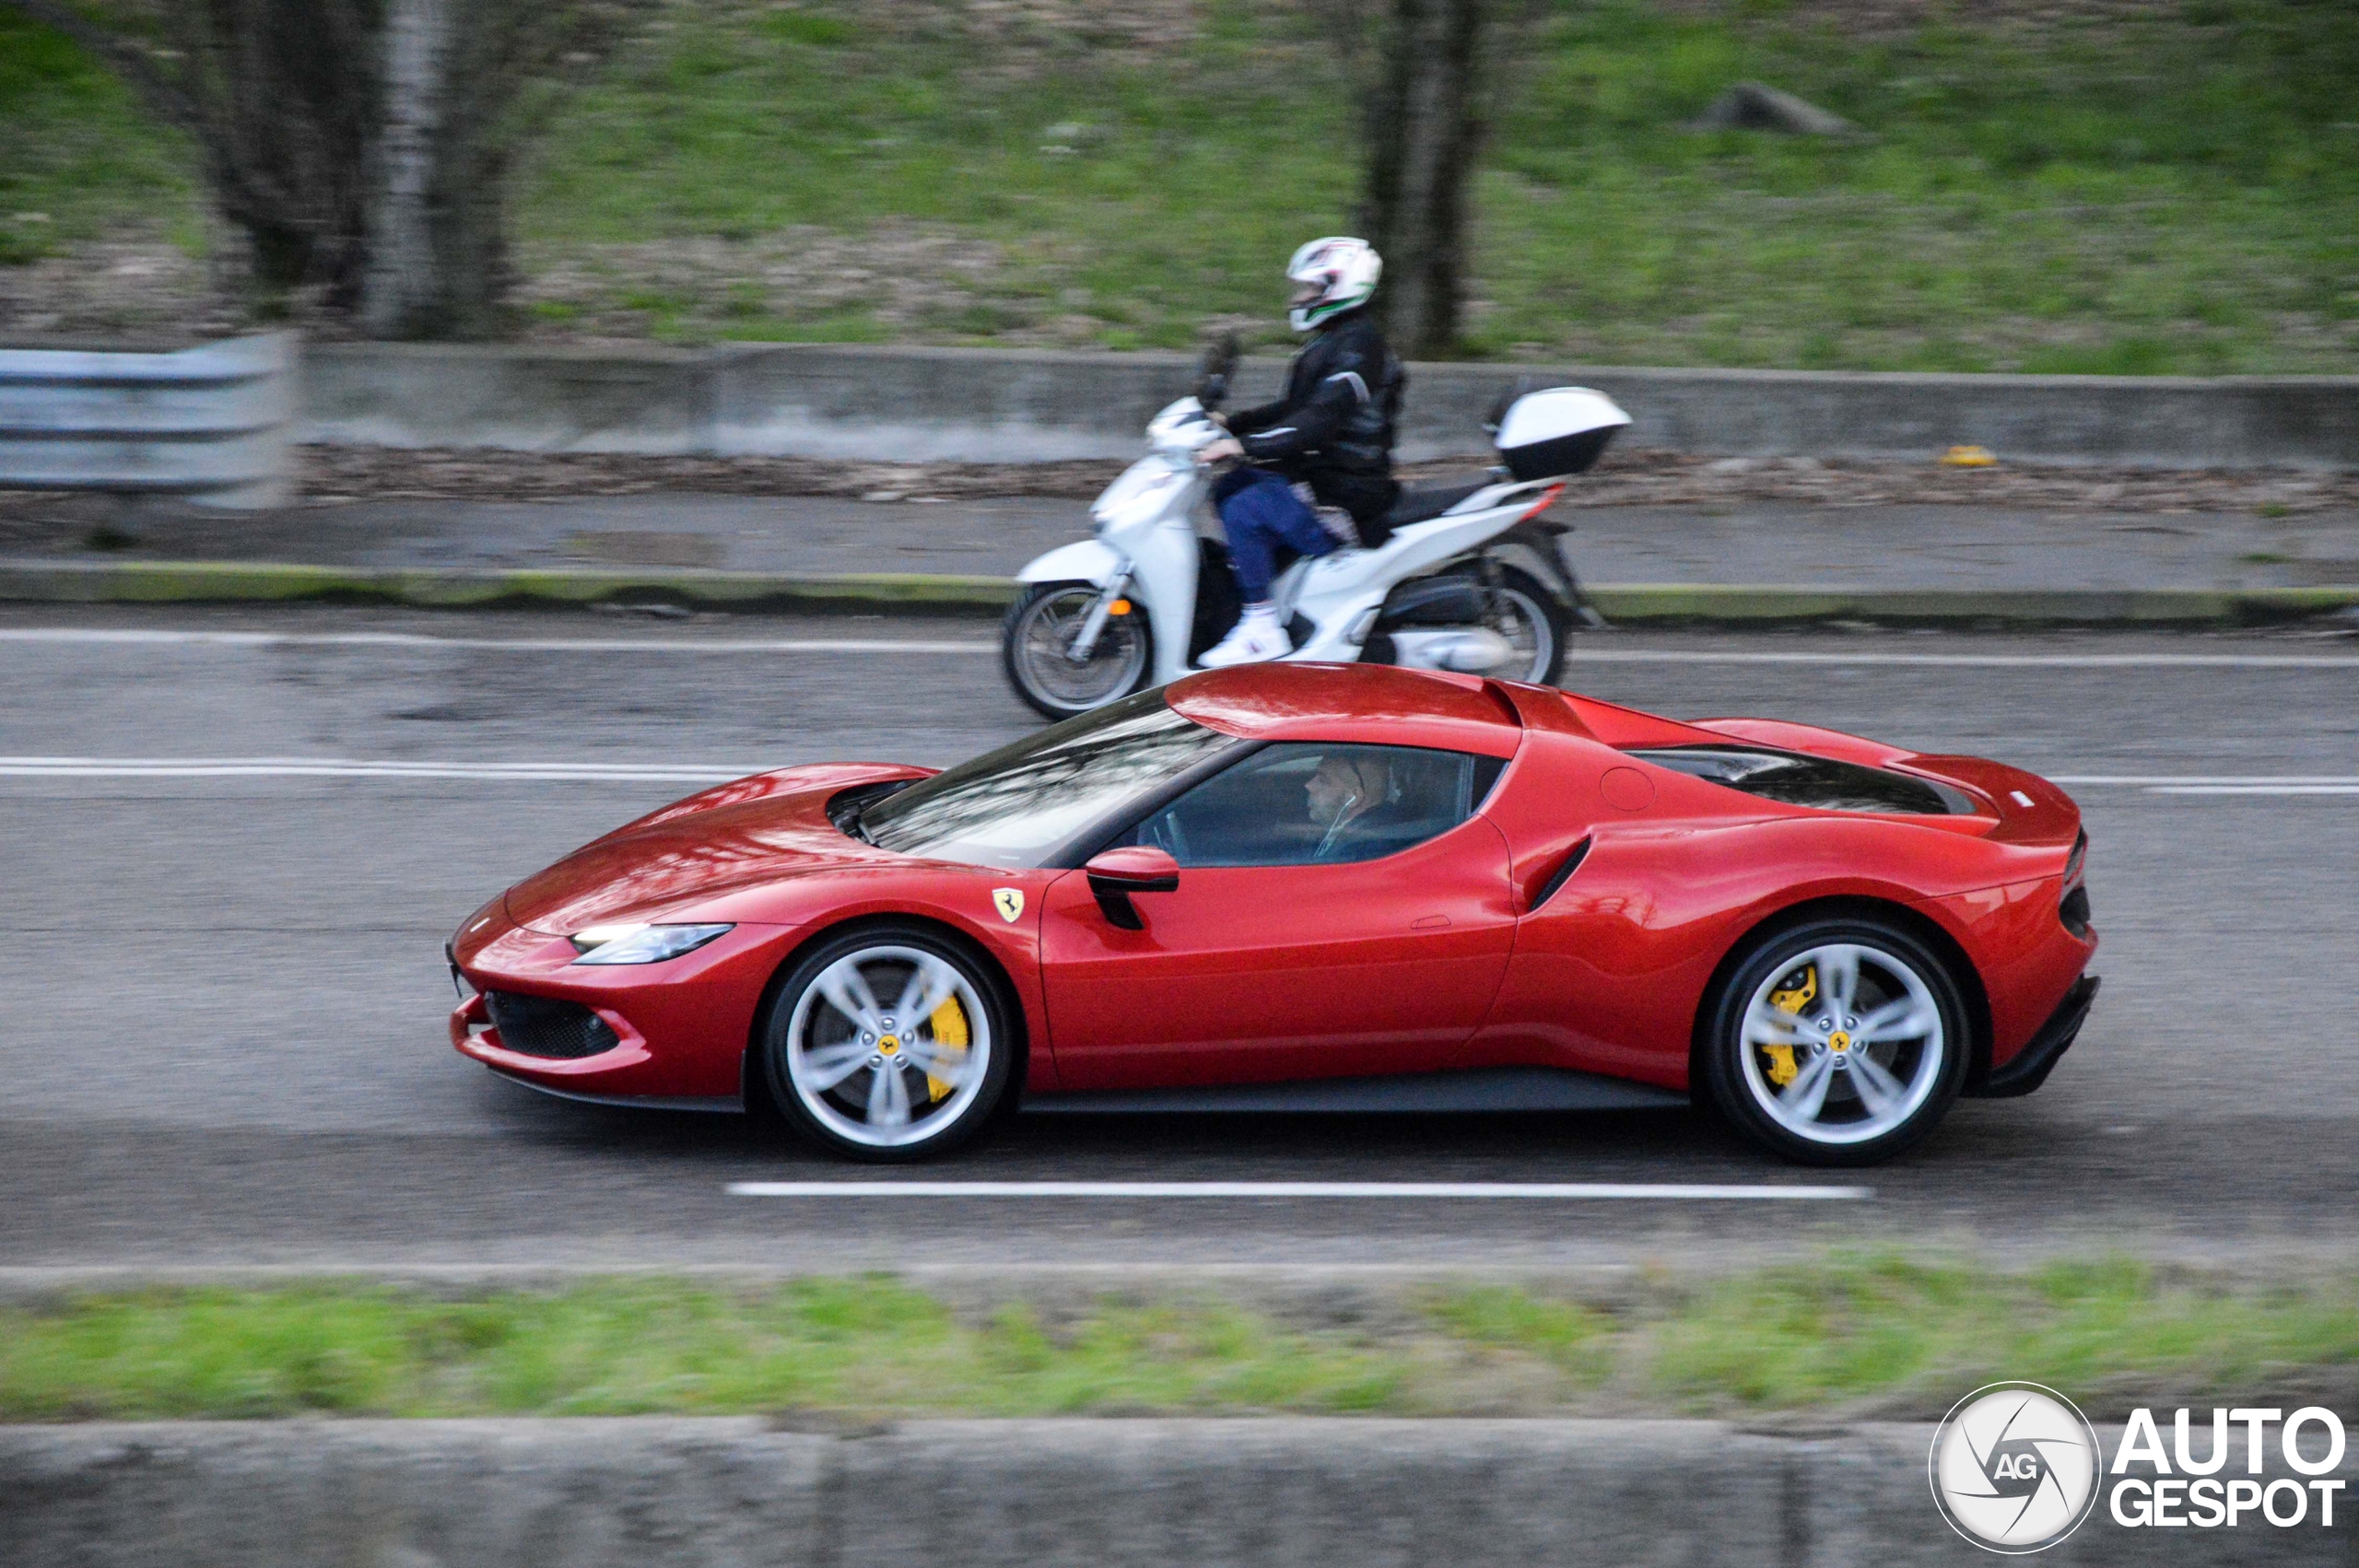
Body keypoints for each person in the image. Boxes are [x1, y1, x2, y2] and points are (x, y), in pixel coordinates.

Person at [1193, 237, 1404, 668]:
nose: (1299, 298)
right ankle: (1274, 592)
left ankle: (1261, 628)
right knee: (1231, 487)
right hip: (1325, 476)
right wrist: (1232, 425)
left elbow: (1317, 422)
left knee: (1247, 507)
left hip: (1348, 489)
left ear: (1336, 287)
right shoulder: (1335, 339)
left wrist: (1243, 445)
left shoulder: (1359, 347)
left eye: (1308, 289)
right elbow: (1294, 409)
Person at [1304, 750, 1394, 860]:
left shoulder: (1364, 851)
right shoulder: (1342, 832)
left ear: (1354, 797)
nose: (1309, 785)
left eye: (1323, 780)